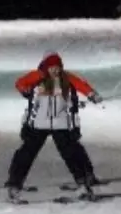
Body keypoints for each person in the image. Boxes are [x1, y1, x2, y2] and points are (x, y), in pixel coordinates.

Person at [6, 51, 102, 200]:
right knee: (27, 154)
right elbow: (20, 83)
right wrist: (28, 87)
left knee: (70, 154)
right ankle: (14, 185)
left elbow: (81, 85)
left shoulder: (67, 78)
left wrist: (92, 94)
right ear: (46, 67)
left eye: (57, 67)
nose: (55, 70)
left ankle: (83, 184)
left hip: (61, 123)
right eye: (51, 67)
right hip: (38, 123)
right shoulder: (37, 77)